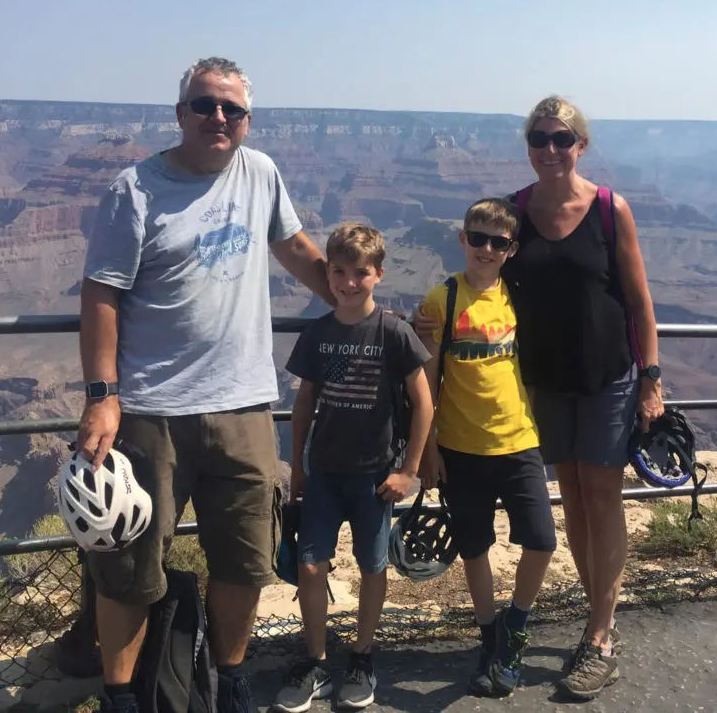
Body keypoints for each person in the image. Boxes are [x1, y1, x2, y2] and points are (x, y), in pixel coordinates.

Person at [76, 57, 338, 713]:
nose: (218, 117)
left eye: (232, 109)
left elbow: (297, 249)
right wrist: (102, 395)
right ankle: (121, 696)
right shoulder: (134, 189)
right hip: (151, 413)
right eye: (204, 105)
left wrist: (364, 308)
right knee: (131, 567)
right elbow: (101, 293)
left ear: (247, 119)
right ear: (180, 113)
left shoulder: (261, 173)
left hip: (246, 406)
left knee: (245, 562)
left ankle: (229, 679)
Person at [414, 94, 663, 700]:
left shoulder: (609, 209)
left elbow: (639, 300)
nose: (549, 149)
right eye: (539, 139)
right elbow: (484, 277)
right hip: (541, 381)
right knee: (573, 498)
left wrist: (651, 378)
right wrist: (422, 328)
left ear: (581, 145)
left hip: (607, 376)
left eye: (561, 139)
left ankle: (600, 635)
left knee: (602, 498)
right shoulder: (516, 213)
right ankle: (594, 613)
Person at [275, 223, 433, 712]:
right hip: (323, 472)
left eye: (359, 273)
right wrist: (297, 467)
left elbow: (423, 404)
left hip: (374, 478)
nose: (347, 282)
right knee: (309, 564)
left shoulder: (393, 332)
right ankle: (316, 660)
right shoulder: (319, 334)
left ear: (378, 274)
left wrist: (408, 471)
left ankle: (362, 656)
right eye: (338, 272)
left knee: (372, 566)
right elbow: (305, 403)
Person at [417, 198, 557, 697]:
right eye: (478, 238)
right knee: (475, 547)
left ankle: (514, 626)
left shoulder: (516, 298)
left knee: (541, 539)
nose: (487, 249)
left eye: (498, 242)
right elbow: (427, 383)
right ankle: (487, 635)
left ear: (511, 249)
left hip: (519, 441)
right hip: (460, 447)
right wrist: (428, 450)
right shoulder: (441, 301)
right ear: (462, 240)